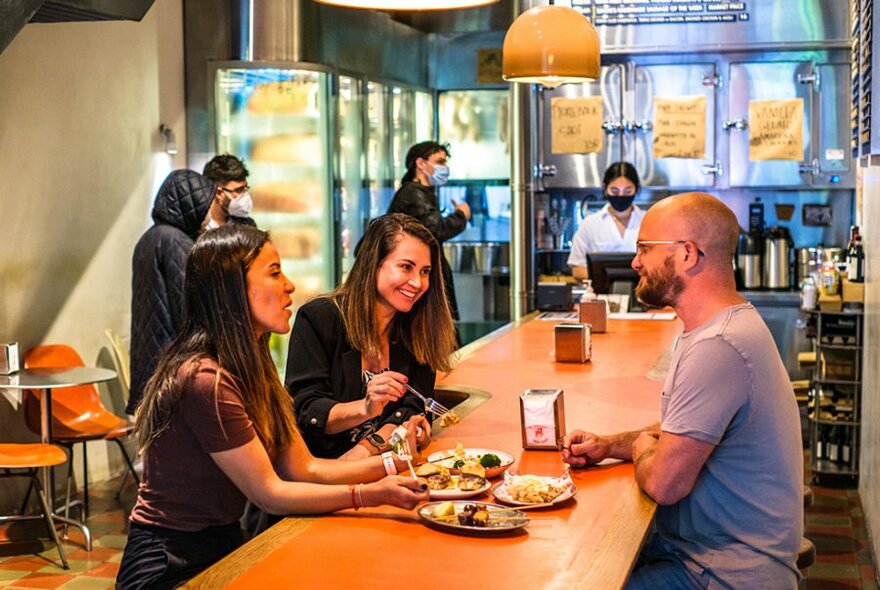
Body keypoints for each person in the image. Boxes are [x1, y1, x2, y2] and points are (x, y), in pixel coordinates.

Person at [116, 224, 428, 590]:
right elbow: (270, 493)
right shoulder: (204, 379)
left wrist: (397, 465)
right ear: (231, 288)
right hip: (169, 561)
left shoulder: (254, 366)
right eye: (275, 272)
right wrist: (371, 493)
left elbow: (303, 468)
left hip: (226, 543)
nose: (290, 285)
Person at [562, 192, 803, 589]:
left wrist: (642, 449)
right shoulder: (721, 327)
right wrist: (610, 445)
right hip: (701, 552)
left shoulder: (718, 345)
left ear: (688, 254)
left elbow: (664, 483)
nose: (635, 261)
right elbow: (687, 430)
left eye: (644, 249)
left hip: (721, 573)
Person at [285, 213, 458, 460]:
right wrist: (365, 408)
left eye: (425, 271)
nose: (417, 282)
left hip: (377, 466)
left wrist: (366, 450)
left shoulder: (418, 327)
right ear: (374, 263)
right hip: (319, 472)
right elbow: (306, 411)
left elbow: (412, 408)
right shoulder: (320, 318)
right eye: (406, 267)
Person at [127, 169, 216, 415]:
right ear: (190, 204)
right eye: (206, 205)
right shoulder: (177, 243)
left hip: (150, 355)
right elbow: (187, 306)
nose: (208, 215)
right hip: (171, 359)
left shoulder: (150, 238)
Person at [386, 141, 470, 324]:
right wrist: (461, 215)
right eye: (440, 162)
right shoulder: (413, 194)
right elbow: (436, 229)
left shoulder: (422, 194)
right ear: (421, 164)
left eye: (445, 163)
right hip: (415, 284)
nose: (445, 168)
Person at [568, 161, 645, 281]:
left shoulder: (648, 222)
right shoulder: (590, 224)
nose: (620, 196)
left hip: (641, 296)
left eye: (627, 191)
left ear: (636, 189)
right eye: (614, 191)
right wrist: (607, 277)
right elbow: (577, 269)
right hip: (601, 297)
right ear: (605, 189)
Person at [203, 153, 256, 228]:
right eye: (239, 190)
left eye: (246, 188)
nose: (245, 195)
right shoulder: (197, 229)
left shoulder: (248, 226)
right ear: (219, 193)